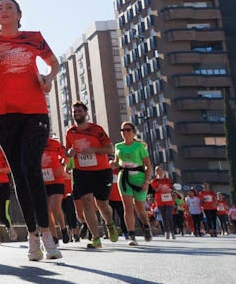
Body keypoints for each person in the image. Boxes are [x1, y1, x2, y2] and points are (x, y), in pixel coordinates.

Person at [0, 0, 60, 262]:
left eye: (9, 7)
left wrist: (48, 78)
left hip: (35, 113)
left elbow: (54, 63)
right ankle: (32, 234)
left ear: (19, 14)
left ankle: (46, 234)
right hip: (5, 116)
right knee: (20, 175)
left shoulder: (33, 38)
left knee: (31, 167)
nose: (4, 11)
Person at [64, 103, 116, 248]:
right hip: (81, 171)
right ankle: (95, 238)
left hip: (101, 171)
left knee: (102, 205)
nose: (76, 113)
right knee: (86, 201)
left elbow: (109, 148)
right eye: (74, 111)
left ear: (86, 113)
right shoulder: (70, 132)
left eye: (79, 111)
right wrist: (69, 153)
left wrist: (93, 149)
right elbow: (67, 150)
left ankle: (110, 224)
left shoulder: (96, 130)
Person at [43, 133, 96, 247]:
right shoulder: (33, 144)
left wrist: (62, 166)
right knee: (47, 210)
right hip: (43, 180)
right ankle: (54, 237)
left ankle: (62, 227)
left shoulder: (54, 143)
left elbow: (65, 155)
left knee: (55, 207)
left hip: (57, 179)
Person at [112, 121, 154, 244]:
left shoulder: (139, 147)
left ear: (134, 132)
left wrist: (147, 181)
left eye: (128, 130)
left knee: (140, 208)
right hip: (124, 178)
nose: (125, 132)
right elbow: (117, 162)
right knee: (128, 207)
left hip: (139, 178)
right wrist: (113, 164)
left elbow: (148, 165)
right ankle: (132, 236)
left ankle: (146, 226)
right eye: (122, 130)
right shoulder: (118, 146)